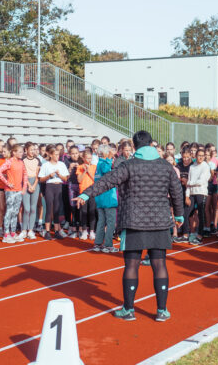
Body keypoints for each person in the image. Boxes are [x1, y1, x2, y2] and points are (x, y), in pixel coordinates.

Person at [75, 130, 184, 322]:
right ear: (151, 144)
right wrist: (180, 214)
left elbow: (107, 181)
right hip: (159, 221)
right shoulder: (165, 166)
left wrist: (86, 194)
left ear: (134, 146)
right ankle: (162, 310)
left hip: (133, 221)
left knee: (132, 265)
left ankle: (129, 309)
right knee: (159, 264)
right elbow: (176, 191)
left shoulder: (129, 165)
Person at [0, 144, 29, 243]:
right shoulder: (9, 161)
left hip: (19, 190)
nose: (21, 154)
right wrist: (7, 183)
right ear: (13, 152)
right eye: (19, 152)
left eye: (22, 152)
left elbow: (25, 175)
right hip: (10, 191)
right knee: (9, 211)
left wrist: (24, 188)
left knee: (15, 212)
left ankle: (13, 233)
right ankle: (6, 234)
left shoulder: (21, 162)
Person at [39, 145, 69, 239]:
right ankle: (47, 231)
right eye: (55, 154)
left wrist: (59, 175)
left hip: (58, 186)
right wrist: (49, 176)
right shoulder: (45, 165)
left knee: (56, 209)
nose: (58, 156)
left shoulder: (61, 164)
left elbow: (65, 178)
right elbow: (41, 179)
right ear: (51, 155)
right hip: (49, 187)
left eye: (58, 154)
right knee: (49, 209)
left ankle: (56, 231)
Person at [185, 148, 211, 245]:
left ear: (204, 156)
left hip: (201, 193)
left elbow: (202, 181)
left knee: (201, 214)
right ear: (195, 156)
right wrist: (187, 195)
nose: (200, 157)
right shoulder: (192, 167)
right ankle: (189, 233)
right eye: (198, 155)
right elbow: (189, 183)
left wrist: (190, 183)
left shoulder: (205, 166)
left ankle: (200, 235)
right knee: (188, 212)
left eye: (202, 155)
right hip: (192, 193)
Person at [21, 142, 42, 239]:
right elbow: (23, 174)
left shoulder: (38, 160)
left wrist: (34, 185)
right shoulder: (23, 160)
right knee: (26, 209)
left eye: (34, 149)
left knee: (33, 209)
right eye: (31, 149)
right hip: (25, 183)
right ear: (26, 150)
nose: (33, 151)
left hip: (35, 183)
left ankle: (30, 230)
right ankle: (23, 230)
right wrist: (29, 185)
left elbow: (38, 174)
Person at [77, 148, 98, 240]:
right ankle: (84, 231)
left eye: (90, 158)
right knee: (84, 212)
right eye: (87, 158)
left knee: (92, 211)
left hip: (93, 192)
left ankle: (92, 231)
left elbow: (95, 180)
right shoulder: (80, 167)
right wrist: (84, 170)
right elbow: (79, 180)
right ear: (84, 158)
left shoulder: (94, 167)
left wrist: (89, 170)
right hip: (83, 192)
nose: (89, 160)